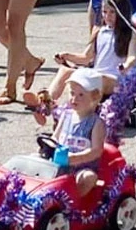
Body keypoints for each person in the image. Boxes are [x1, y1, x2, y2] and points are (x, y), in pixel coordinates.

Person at [32, 0, 136, 110]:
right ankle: (47, 103)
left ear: (122, 12)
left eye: (112, 12)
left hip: (115, 79)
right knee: (65, 71)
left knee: (94, 77)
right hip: (96, 74)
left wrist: (126, 66)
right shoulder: (99, 31)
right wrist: (66, 56)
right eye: (104, 12)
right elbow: (86, 57)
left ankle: (64, 107)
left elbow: (132, 56)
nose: (107, 16)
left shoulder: (130, 33)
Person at [33, 70, 110, 198]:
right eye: (72, 93)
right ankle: (35, 199)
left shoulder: (96, 123)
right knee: (34, 160)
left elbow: (96, 151)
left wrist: (74, 158)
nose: (74, 98)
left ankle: (73, 202)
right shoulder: (66, 115)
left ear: (95, 97)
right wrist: (46, 148)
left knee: (89, 177)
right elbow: (55, 139)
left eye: (81, 95)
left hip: (82, 167)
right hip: (60, 163)